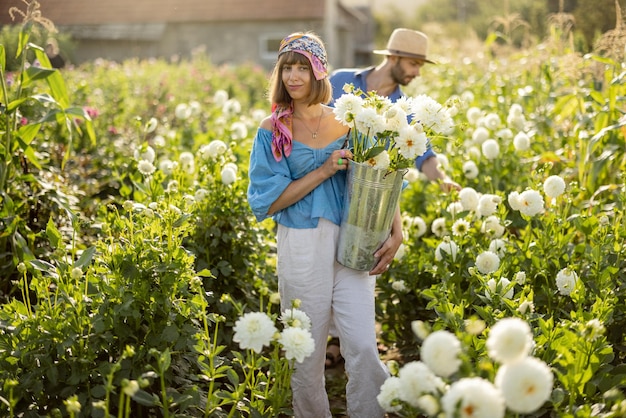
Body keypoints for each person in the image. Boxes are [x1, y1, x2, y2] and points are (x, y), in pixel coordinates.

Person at [247, 31, 393, 418]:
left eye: (302, 67)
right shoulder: (272, 129)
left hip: (352, 240)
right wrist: (326, 169)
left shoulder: (349, 122)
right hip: (301, 241)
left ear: (319, 71)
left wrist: (396, 230)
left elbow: (380, 174)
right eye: (286, 68)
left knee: (362, 344)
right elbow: (269, 201)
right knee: (306, 352)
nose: (293, 77)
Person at [324, 28, 461, 368]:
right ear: (394, 57)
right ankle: (328, 339)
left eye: (420, 66)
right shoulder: (342, 81)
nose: (416, 72)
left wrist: (442, 179)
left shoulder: (406, 107)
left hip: (372, 201)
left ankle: (347, 343)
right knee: (324, 262)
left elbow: (423, 154)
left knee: (358, 261)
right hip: (327, 187)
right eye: (414, 63)